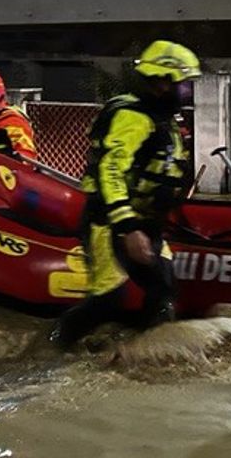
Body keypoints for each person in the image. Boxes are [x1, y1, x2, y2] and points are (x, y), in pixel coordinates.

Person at [50, 41, 199, 346]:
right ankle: (58, 344)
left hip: (147, 222)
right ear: (161, 82)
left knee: (165, 291)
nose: (188, 90)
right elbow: (111, 171)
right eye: (183, 83)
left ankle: (146, 354)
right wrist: (128, 228)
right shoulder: (133, 118)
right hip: (110, 222)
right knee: (109, 299)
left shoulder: (164, 121)